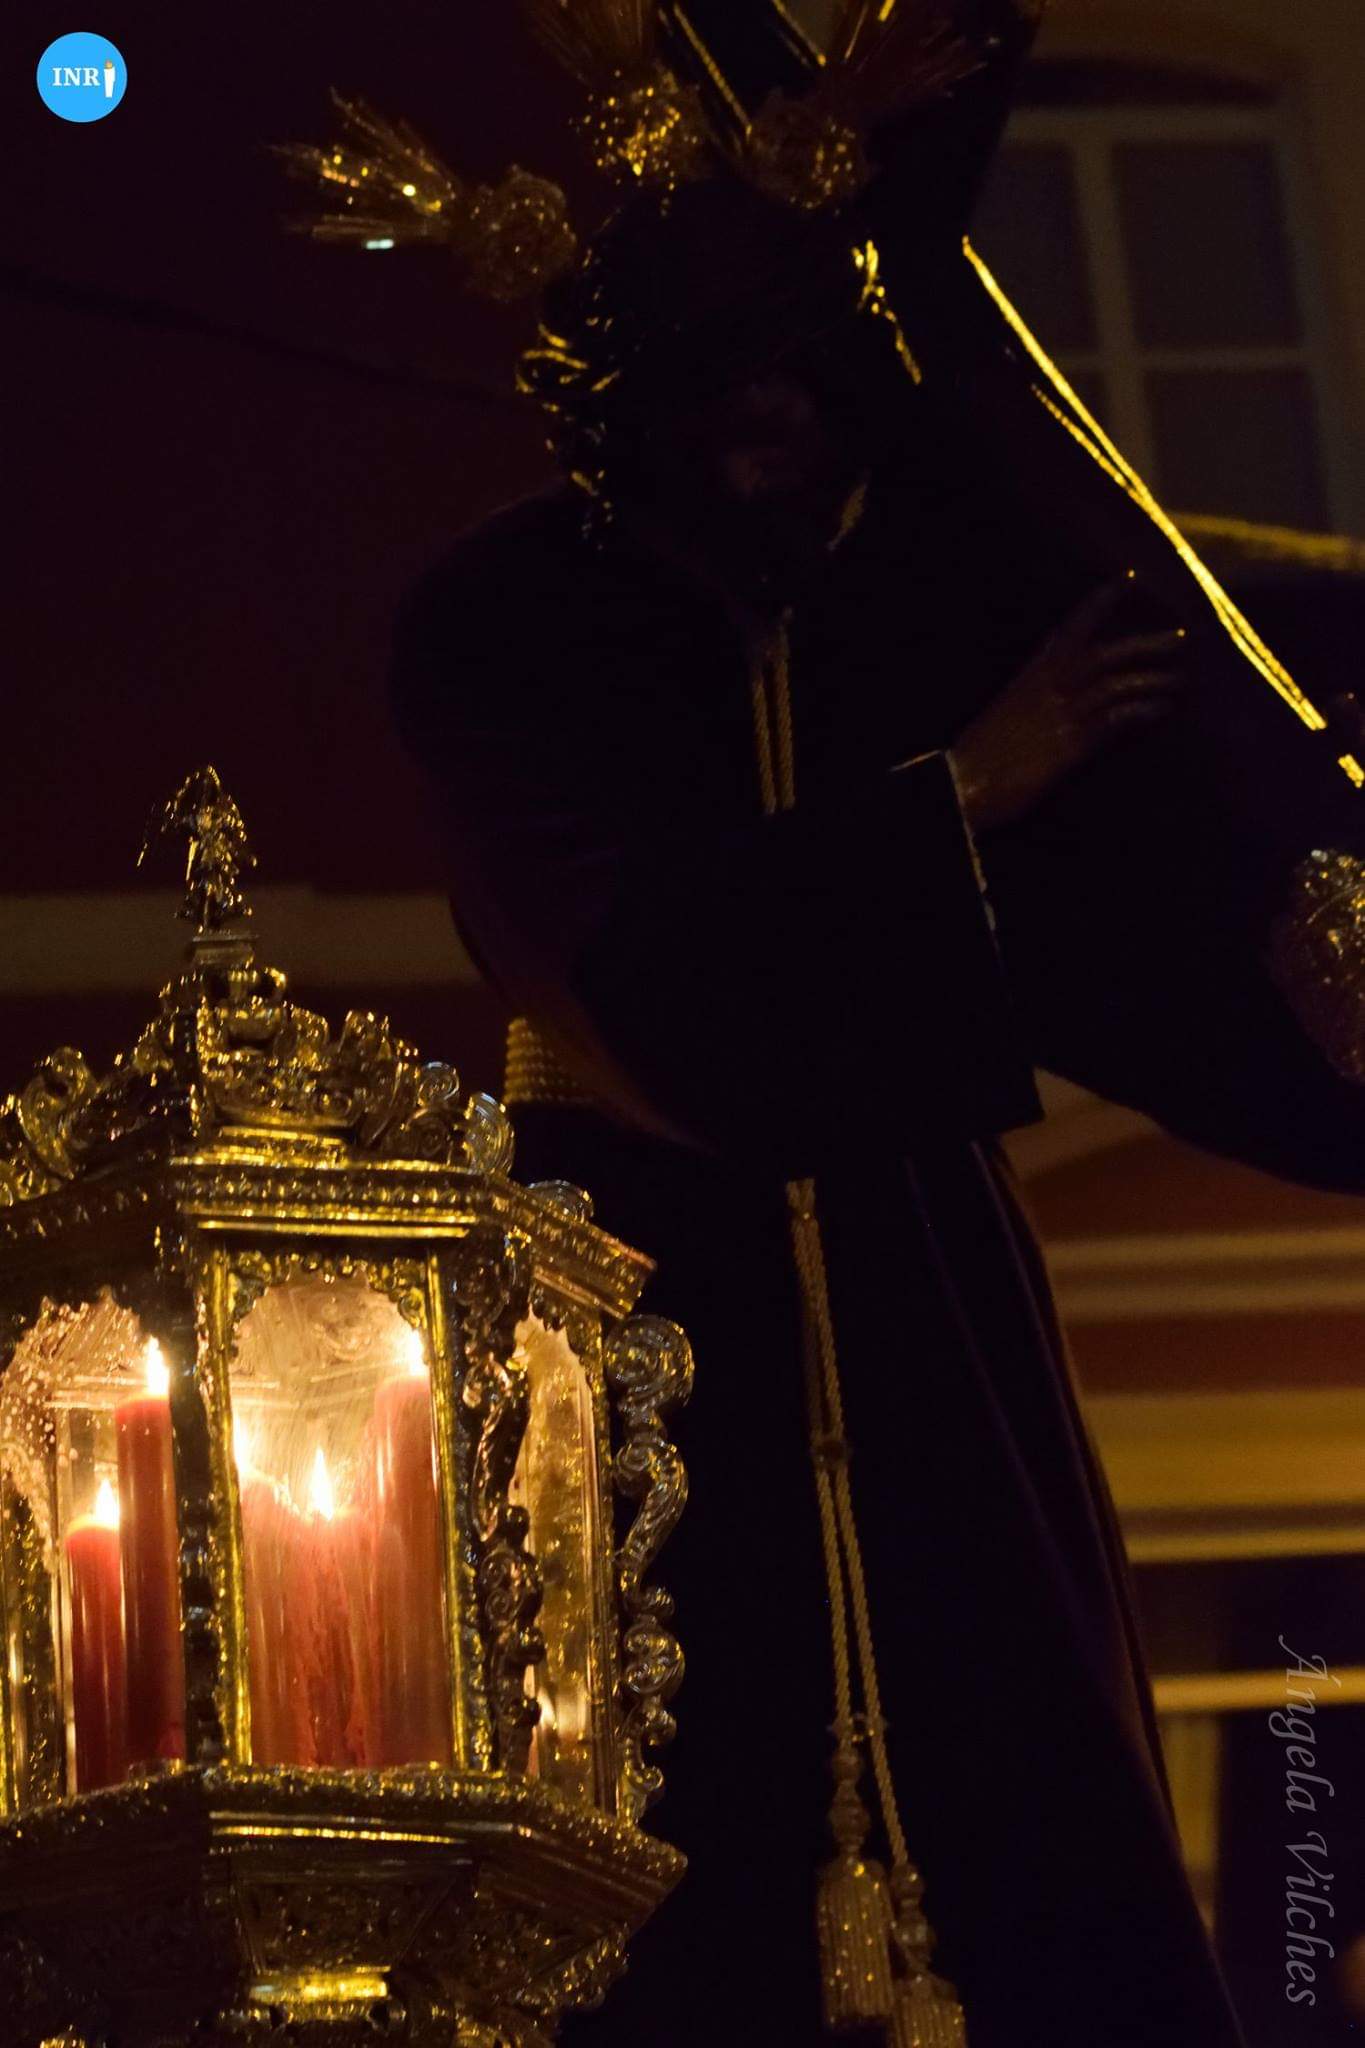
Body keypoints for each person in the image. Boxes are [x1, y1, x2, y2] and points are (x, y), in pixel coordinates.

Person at [385, 3, 1365, 2041]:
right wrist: (957, 794)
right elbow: (647, 974)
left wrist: (1299, 986)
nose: (771, 432)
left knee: (1015, 1772)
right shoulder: (504, 625)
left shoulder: (890, 608)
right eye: (723, 378)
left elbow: (1129, 914)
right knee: (673, 1788)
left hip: (919, 1268)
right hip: (630, 1279)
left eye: (804, 376)